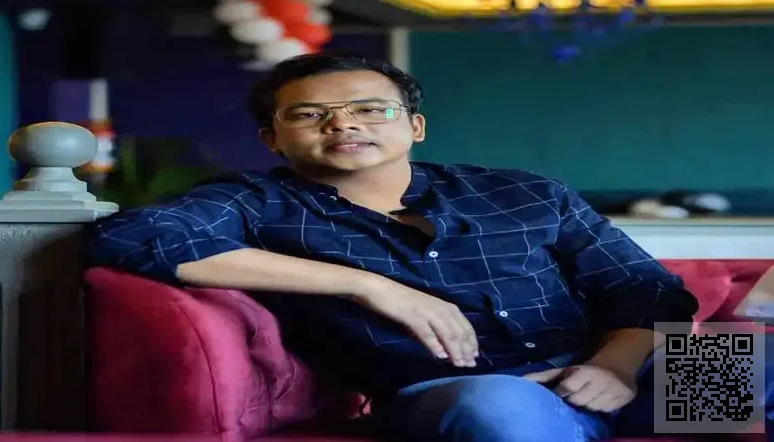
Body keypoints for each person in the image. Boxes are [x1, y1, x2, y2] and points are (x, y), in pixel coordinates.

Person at [87, 53, 770, 441]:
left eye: (369, 109)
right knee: (494, 410)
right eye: (310, 114)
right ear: (273, 138)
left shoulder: (522, 192)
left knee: (754, 363)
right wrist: (366, 285)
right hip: (462, 398)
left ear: (413, 126)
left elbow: (645, 290)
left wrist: (615, 367)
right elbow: (131, 236)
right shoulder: (255, 202)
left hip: (615, 377)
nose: (342, 125)